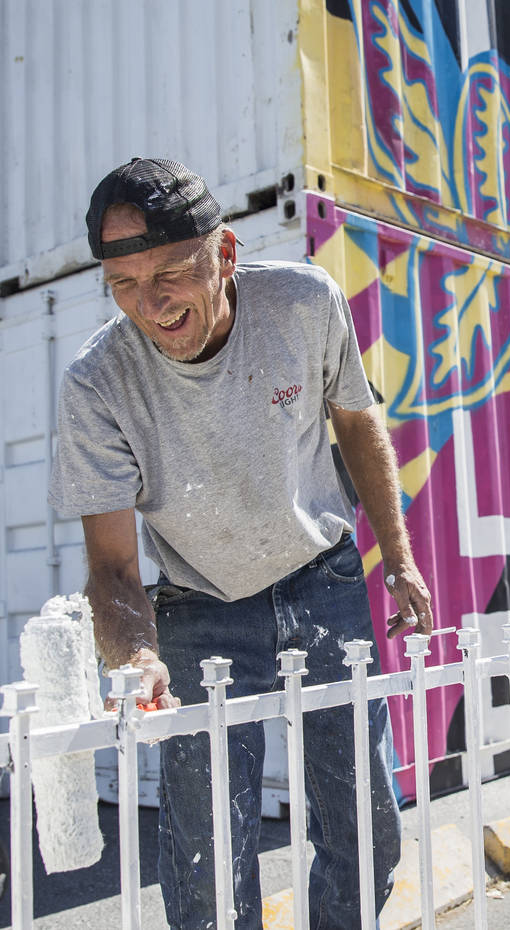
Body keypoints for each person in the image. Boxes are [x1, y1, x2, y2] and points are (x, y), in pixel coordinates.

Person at [48, 157, 433, 930]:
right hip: (198, 608)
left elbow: (357, 424)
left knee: (366, 832)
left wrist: (397, 560)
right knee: (205, 870)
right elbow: (115, 568)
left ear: (224, 255)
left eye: (169, 273)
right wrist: (136, 657)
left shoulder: (300, 303)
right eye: (123, 284)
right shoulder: (96, 383)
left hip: (321, 582)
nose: (150, 305)